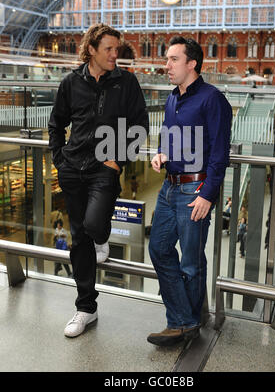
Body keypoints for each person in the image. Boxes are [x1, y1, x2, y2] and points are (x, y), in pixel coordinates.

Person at [48, 23, 149, 337]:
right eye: (108, 49)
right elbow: (56, 124)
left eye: (117, 49)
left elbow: (140, 126)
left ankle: (101, 236)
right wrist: (59, 159)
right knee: (79, 241)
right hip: (72, 170)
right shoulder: (70, 83)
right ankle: (85, 309)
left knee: (92, 227)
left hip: (105, 169)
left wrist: (118, 161)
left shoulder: (126, 83)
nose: (115, 54)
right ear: (91, 49)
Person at [147, 36, 232, 346]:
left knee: (192, 262)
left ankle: (185, 323)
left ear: (191, 63)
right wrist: (161, 153)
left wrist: (207, 194)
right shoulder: (173, 98)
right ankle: (187, 318)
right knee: (158, 249)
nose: (166, 65)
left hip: (194, 190)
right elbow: (169, 138)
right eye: (167, 59)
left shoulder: (212, 99)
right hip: (169, 189)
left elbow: (219, 152)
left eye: (173, 59)